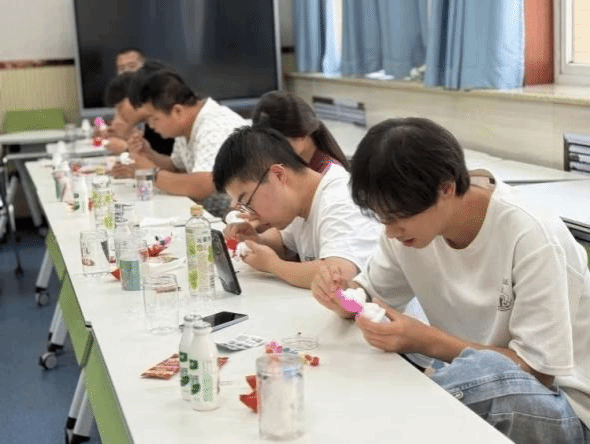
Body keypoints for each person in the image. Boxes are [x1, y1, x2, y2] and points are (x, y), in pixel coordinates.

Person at [311, 117, 590, 444]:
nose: (390, 231)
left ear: (445, 188)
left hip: (562, 407)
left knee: (475, 375)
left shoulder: (530, 235)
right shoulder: (407, 231)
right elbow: (368, 296)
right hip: (472, 381)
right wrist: (343, 297)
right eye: (381, 218)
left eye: (397, 217)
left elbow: (537, 373)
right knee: (406, 372)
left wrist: (424, 340)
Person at [212, 125, 380, 289]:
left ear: (278, 175)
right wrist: (257, 240)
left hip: (369, 307)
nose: (251, 214)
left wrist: (273, 265)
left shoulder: (341, 199)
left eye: (248, 203)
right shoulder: (300, 202)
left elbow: (338, 275)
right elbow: (284, 241)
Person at [130, 70, 247, 217]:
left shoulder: (214, 126)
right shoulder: (187, 125)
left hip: (240, 215)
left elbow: (205, 185)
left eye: (154, 119)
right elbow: (177, 168)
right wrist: (149, 154)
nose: (151, 126)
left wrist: (150, 172)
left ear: (177, 111)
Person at [252, 91, 350, 173]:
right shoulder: (293, 166)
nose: (272, 153)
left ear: (302, 135)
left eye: (278, 144)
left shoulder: (330, 175)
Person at [103, 63, 175, 158]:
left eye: (120, 107)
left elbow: (171, 163)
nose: (119, 113)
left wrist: (126, 148)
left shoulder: (165, 118)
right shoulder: (148, 123)